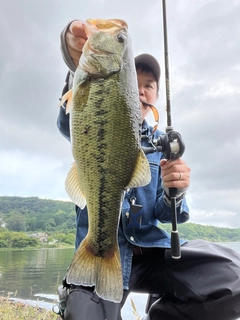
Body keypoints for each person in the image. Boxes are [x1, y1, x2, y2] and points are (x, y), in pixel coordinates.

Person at [56, 20, 240, 320]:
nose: (140, 91)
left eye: (149, 86)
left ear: (154, 96)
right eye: (134, 83)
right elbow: (67, 121)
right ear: (123, 84)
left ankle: (158, 312)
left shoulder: (161, 146)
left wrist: (175, 191)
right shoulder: (91, 100)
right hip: (99, 250)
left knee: (233, 277)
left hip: (152, 253)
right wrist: (72, 59)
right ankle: (79, 294)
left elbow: (170, 215)